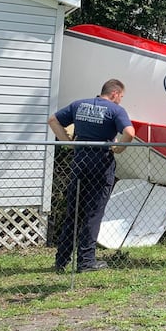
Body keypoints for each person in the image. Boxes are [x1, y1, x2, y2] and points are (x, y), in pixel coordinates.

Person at [49, 78, 135, 273]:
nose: (120, 100)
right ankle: (86, 261)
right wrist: (118, 148)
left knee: (74, 212)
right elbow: (129, 132)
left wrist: (68, 143)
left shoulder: (78, 105)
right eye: (121, 97)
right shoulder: (115, 110)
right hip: (101, 163)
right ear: (114, 93)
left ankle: (61, 259)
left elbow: (53, 120)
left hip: (79, 161)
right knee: (93, 213)